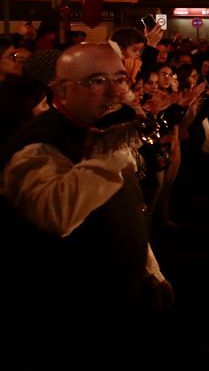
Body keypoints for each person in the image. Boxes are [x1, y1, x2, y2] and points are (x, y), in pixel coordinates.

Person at [0, 44, 172, 364]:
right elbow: (56, 215)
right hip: (69, 318)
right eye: (96, 81)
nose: (115, 91)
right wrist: (116, 147)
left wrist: (151, 270)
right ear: (62, 90)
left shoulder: (98, 129)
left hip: (122, 300)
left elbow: (123, 202)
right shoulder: (36, 146)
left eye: (120, 79)